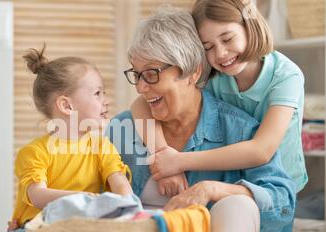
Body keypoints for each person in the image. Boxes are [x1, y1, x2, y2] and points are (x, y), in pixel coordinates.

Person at [108, 7, 296, 232]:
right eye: (136, 75)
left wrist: (212, 189)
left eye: (151, 74)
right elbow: (87, 195)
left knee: (238, 204)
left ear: (193, 73)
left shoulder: (239, 128)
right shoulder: (122, 128)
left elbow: (282, 202)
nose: (140, 87)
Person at [0, 46, 133, 232]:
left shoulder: (103, 148)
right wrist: (85, 199)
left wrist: (119, 204)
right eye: (98, 93)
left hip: (78, 231)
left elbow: (123, 189)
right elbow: (37, 194)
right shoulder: (35, 151)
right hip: (36, 228)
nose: (106, 101)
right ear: (67, 106)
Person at [132, 0, 307, 196]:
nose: (221, 54)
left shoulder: (285, 76)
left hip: (277, 180)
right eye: (208, 47)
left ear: (249, 27)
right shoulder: (215, 75)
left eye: (227, 39)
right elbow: (141, 103)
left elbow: (262, 150)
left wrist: (177, 161)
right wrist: (161, 154)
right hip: (235, 176)